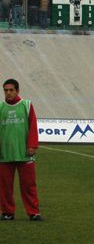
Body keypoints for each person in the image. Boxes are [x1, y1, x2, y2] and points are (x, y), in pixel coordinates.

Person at [0, 79, 42, 220]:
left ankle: (33, 213)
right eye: (6, 90)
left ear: (17, 90)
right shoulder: (0, 107)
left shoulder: (27, 105)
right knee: (5, 187)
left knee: (29, 185)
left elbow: (33, 126)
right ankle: (7, 213)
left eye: (11, 90)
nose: (8, 93)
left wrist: (32, 145)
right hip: (5, 154)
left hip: (25, 153)